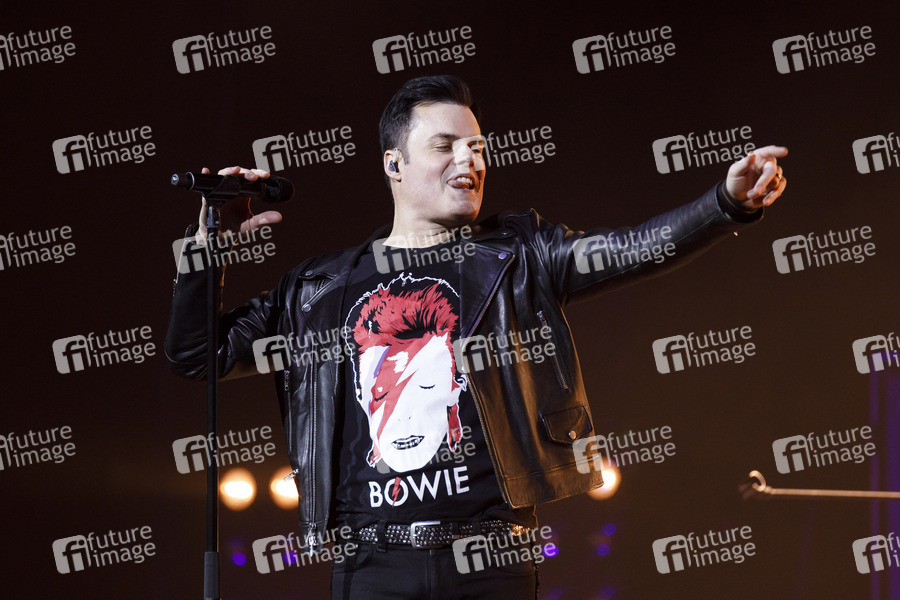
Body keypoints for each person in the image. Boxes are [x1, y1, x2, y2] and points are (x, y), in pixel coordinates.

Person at [165, 74, 787, 599]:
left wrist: (723, 204)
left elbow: (633, 250)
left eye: (477, 147)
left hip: (492, 564)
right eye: (445, 146)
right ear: (394, 164)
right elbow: (198, 355)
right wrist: (206, 253)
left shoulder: (519, 254)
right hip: (370, 567)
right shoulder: (320, 288)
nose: (470, 160)